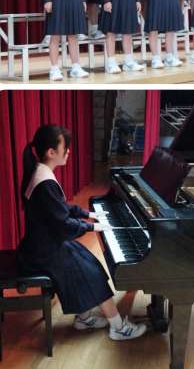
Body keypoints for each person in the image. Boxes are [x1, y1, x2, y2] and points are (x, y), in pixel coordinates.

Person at [17, 124, 147, 341]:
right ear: (51, 152)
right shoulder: (44, 181)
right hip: (42, 252)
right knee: (90, 272)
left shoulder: (40, 172)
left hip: (42, 244)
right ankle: (118, 327)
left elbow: (60, 209)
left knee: (88, 261)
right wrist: (92, 226)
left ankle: (84, 318)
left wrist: (88, 214)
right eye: (65, 147)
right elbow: (63, 225)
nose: (68, 151)